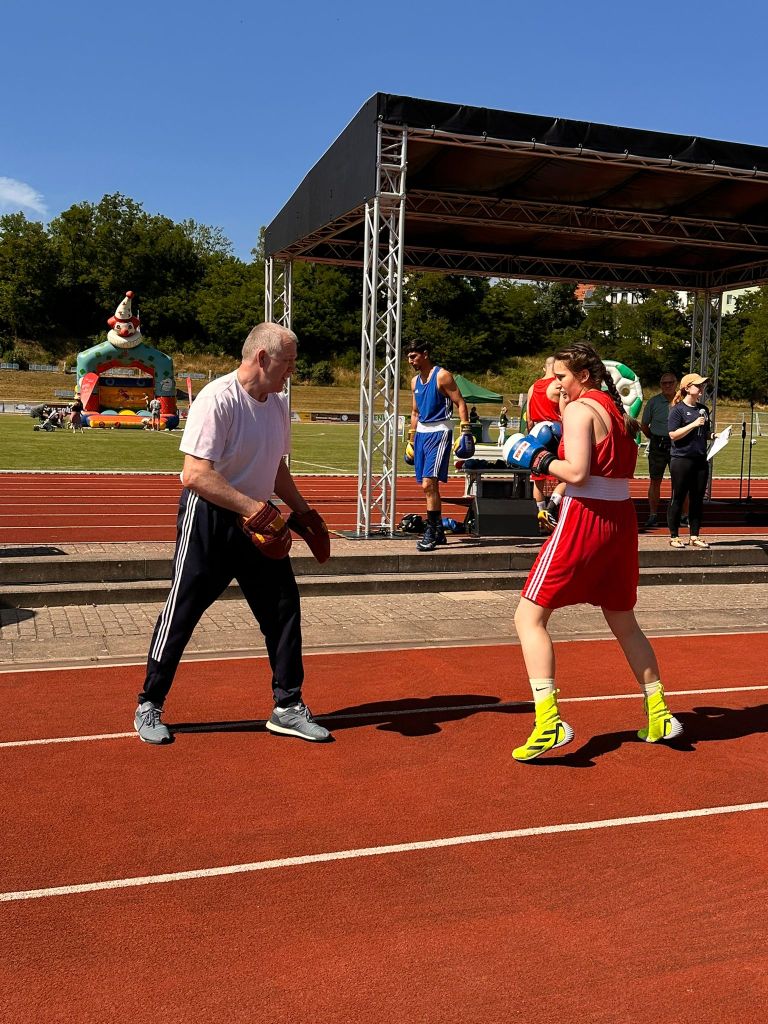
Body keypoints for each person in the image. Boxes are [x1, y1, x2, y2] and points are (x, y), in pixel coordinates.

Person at [133, 323, 332, 745]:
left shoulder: (277, 405)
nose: (292, 371)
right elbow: (195, 475)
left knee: (283, 609)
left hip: (259, 523)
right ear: (262, 358)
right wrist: (254, 510)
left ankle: (288, 706)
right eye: (288, 362)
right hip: (211, 518)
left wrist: (304, 512)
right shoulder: (217, 399)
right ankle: (150, 702)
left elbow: (276, 469)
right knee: (182, 611)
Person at [506, 342, 683, 762]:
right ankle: (659, 712)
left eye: (562, 376)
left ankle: (548, 722)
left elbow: (579, 472)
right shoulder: (619, 411)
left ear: (583, 375)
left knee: (528, 616)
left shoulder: (580, 410)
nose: (556, 385)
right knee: (623, 619)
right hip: (619, 520)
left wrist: (538, 457)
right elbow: (606, 473)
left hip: (586, 519)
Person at [405, 342, 474, 552]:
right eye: (408, 357)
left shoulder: (442, 376)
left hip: (440, 430)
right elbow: (415, 412)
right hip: (422, 434)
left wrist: (465, 430)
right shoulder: (414, 381)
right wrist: (411, 438)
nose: (411, 361)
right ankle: (439, 532)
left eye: (414, 356)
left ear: (425, 355)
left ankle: (432, 531)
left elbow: (460, 402)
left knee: (429, 483)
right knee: (428, 486)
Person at [667, 372, 714, 549]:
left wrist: (716, 435)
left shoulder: (703, 409)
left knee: (697, 498)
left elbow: (705, 432)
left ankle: (694, 535)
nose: (701, 388)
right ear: (687, 388)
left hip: (700, 459)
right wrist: (693, 424)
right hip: (681, 459)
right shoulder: (677, 410)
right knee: (678, 497)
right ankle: (674, 535)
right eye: (698, 385)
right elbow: (673, 434)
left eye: (702, 385)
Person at [525, 356, 567, 534]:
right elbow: (566, 412)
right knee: (565, 477)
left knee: (538, 481)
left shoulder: (532, 388)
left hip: (536, 435)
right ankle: (552, 509)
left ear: (544, 368)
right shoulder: (558, 386)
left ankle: (541, 517)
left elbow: (528, 419)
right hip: (555, 433)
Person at [640, 372, 687, 529]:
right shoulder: (653, 402)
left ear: (676, 383)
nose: (667, 385)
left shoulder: (683, 402)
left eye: (670, 383)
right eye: (663, 383)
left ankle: (683, 515)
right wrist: (654, 438)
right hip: (658, 445)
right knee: (655, 481)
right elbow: (644, 425)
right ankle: (653, 515)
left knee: (681, 482)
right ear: (660, 385)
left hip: (679, 445)